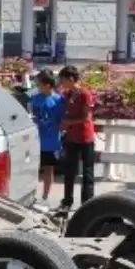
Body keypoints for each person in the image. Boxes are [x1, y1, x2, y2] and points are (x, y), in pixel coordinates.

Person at [58, 65, 98, 209]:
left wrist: (69, 122)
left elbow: (86, 118)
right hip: (71, 137)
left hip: (85, 137)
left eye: (62, 79)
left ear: (70, 79)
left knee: (87, 172)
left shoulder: (84, 94)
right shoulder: (67, 95)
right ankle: (67, 200)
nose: (61, 82)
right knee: (69, 171)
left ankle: (87, 203)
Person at [29, 70, 66, 202]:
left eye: (39, 83)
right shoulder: (35, 99)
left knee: (48, 169)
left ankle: (45, 196)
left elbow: (63, 121)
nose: (37, 85)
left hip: (50, 141)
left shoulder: (59, 101)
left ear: (48, 85)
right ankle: (30, 195)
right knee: (30, 169)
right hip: (34, 140)